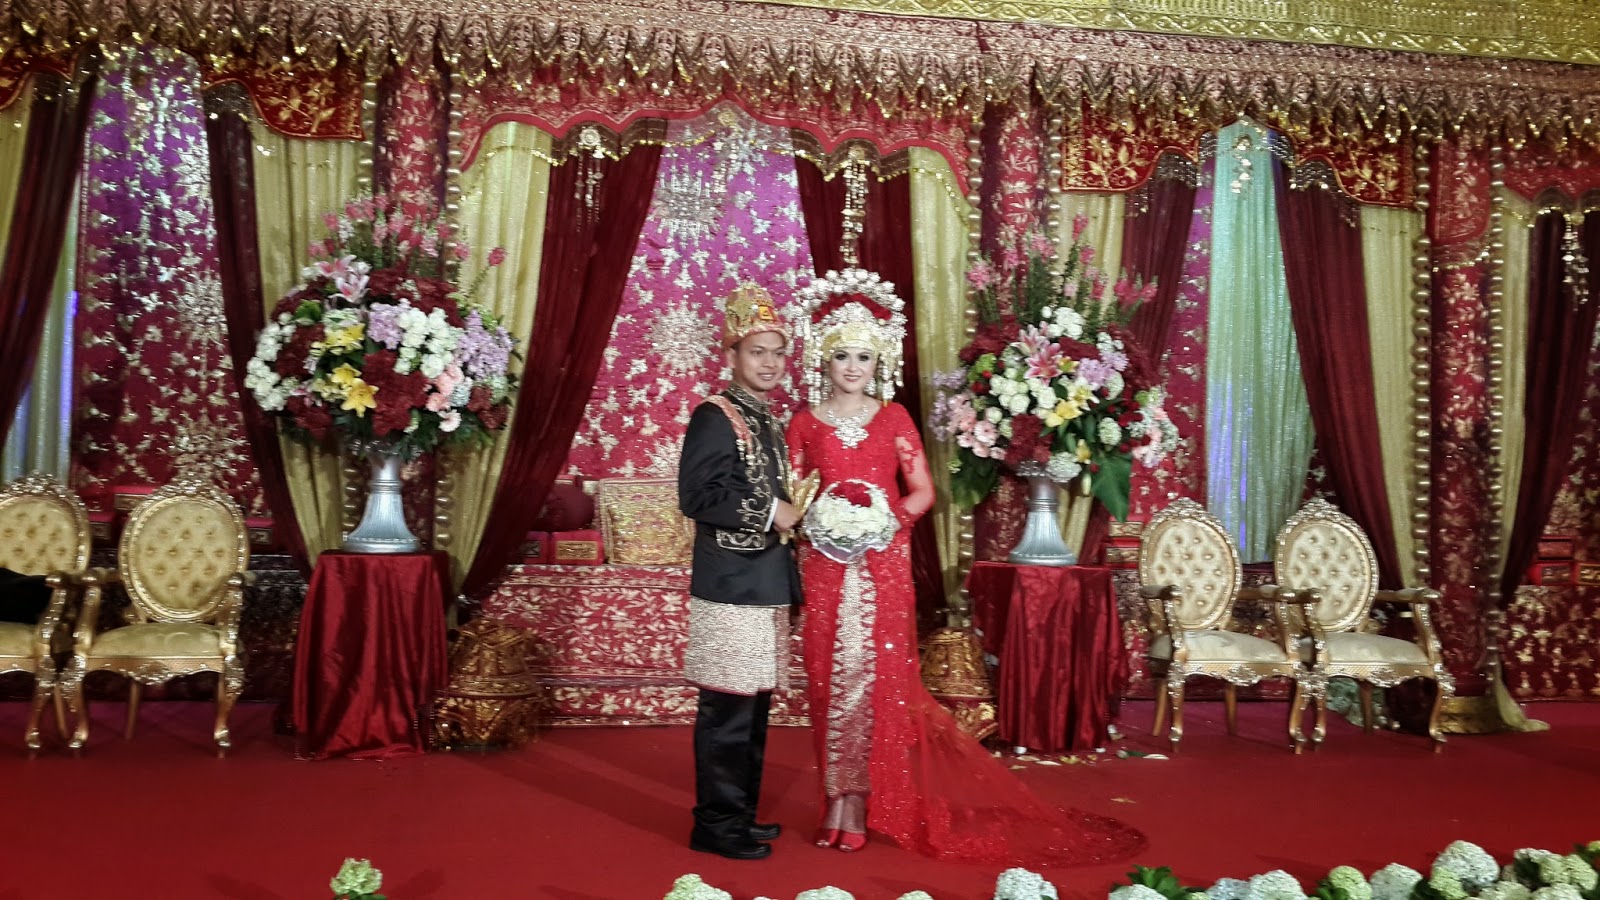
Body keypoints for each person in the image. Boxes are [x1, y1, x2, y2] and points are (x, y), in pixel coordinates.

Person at [784, 271, 1147, 864]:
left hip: (882, 565)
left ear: (879, 361)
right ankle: (835, 800)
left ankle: (867, 803)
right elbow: (794, 495)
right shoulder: (804, 422)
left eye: (864, 356)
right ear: (824, 359)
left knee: (880, 688)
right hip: (826, 567)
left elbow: (923, 492)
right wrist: (819, 522)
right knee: (829, 683)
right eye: (843, 355)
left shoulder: (894, 420)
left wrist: (882, 520)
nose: (853, 367)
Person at [677, 283, 804, 861]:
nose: (769, 363)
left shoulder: (767, 421)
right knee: (728, 710)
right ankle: (716, 826)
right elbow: (697, 495)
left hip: (764, 581)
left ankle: (740, 816)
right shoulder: (715, 415)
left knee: (752, 709)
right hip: (730, 585)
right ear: (731, 354)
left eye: (777, 353)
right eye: (757, 352)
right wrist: (772, 511)